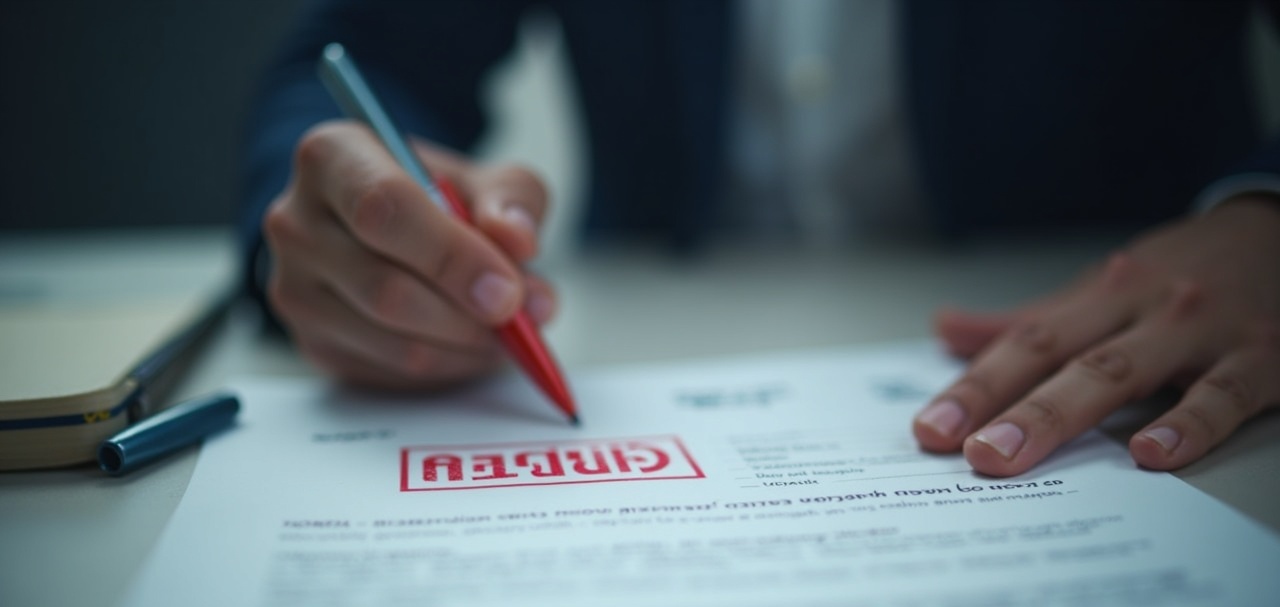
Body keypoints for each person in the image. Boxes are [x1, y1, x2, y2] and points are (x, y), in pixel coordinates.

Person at [240, 0, 1280, 478]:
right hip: (642, 330)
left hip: (1172, 360)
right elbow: (358, 64)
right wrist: (355, 223)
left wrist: (1264, 214)